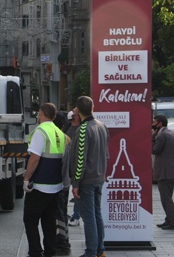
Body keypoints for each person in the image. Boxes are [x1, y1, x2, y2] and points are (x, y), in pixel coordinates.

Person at [23, 103, 67, 257]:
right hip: (55, 186)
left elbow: (34, 158)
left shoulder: (40, 131)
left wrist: (26, 178)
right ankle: (50, 252)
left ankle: (35, 252)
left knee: (30, 220)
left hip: (40, 186)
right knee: (49, 222)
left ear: (41, 113)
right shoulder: (59, 133)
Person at [69, 96, 109, 257]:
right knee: (97, 214)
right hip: (99, 177)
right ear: (93, 107)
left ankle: (91, 251)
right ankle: (100, 250)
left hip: (87, 180)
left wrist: (76, 183)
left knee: (89, 217)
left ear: (77, 111)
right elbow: (106, 154)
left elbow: (80, 160)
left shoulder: (84, 129)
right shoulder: (101, 125)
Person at [152, 114, 174, 230]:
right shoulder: (173, 133)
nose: (153, 124)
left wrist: (151, 137)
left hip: (164, 172)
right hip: (173, 170)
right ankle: (168, 219)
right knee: (168, 196)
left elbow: (154, 150)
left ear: (160, 123)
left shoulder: (161, 136)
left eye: (154, 122)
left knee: (166, 198)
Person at [55, 109, 77, 255]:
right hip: (66, 182)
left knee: (59, 216)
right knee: (62, 213)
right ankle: (65, 242)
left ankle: (62, 245)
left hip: (59, 184)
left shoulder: (61, 138)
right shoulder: (67, 138)